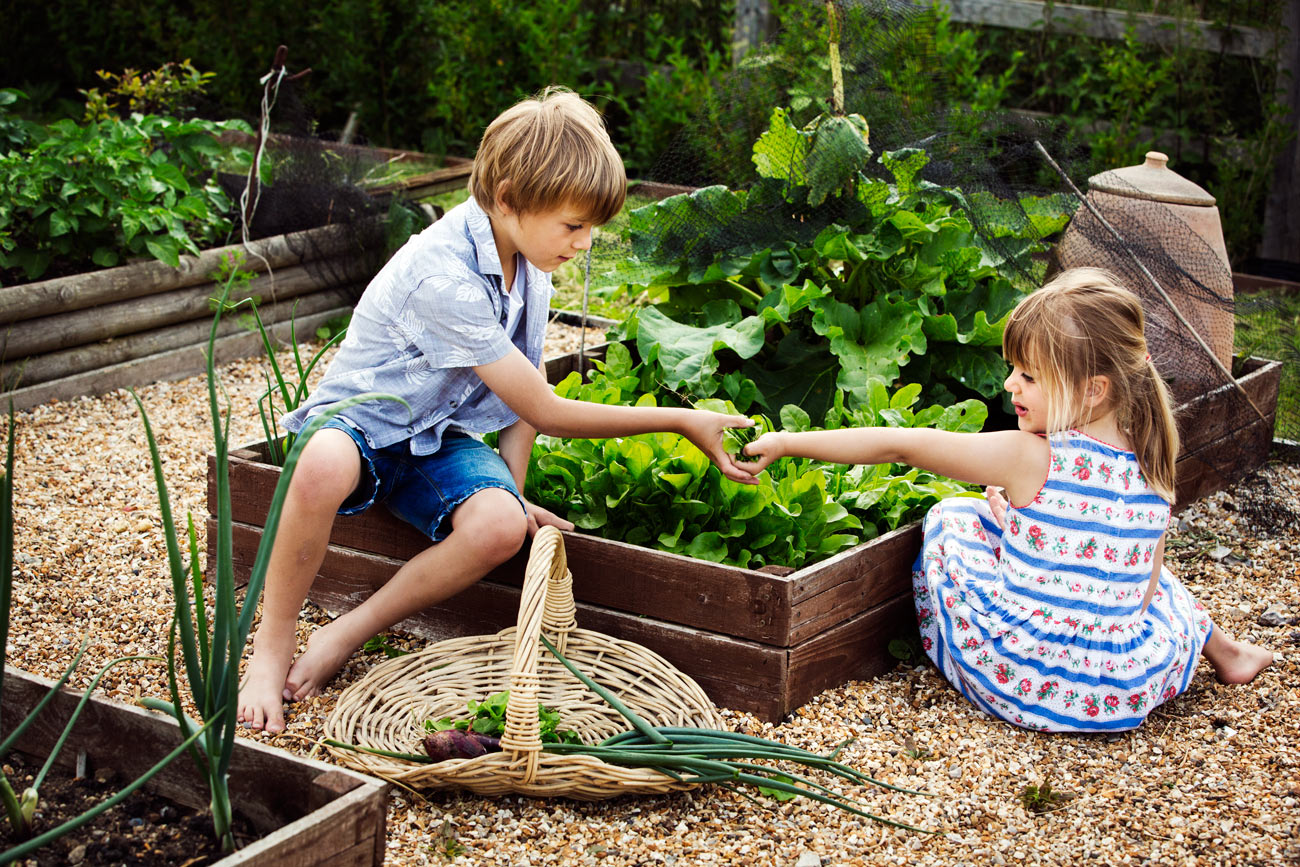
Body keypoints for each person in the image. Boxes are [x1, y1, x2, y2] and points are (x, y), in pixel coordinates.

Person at [237, 87, 755, 733]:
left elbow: (524, 388)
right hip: (363, 425)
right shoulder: (443, 275)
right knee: (320, 461)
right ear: (509, 198)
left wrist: (508, 490)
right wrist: (681, 419)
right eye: (573, 225)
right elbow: (547, 405)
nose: (585, 244)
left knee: (500, 528)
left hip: (435, 435)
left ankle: (350, 629)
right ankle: (272, 644)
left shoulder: (529, 264)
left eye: (590, 227)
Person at [741, 267, 1273, 732]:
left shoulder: (1029, 457)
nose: (1009, 385)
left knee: (954, 516)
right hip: (1121, 690)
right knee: (1139, 574)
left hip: (1022, 679)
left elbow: (902, 448)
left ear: (1093, 389)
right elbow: (1142, 594)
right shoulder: (1155, 461)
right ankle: (1229, 653)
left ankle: (1225, 653)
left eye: (1029, 376)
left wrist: (788, 442)